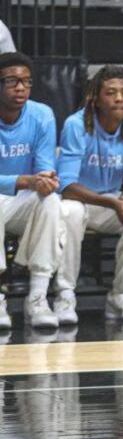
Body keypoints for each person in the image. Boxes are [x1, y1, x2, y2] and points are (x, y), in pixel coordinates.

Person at [57, 66, 123, 324]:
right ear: (95, 98)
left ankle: (122, 296)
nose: (119, 99)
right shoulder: (76, 125)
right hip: (79, 200)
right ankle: (64, 296)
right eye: (111, 93)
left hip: (111, 201)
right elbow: (66, 185)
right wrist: (113, 203)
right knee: (70, 212)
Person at [0, 52, 62, 329]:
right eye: (12, 81)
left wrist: (47, 180)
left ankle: (38, 296)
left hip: (20, 203)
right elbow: (28, 180)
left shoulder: (42, 115)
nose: (21, 88)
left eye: (26, 81)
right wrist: (25, 181)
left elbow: (45, 167)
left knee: (51, 201)